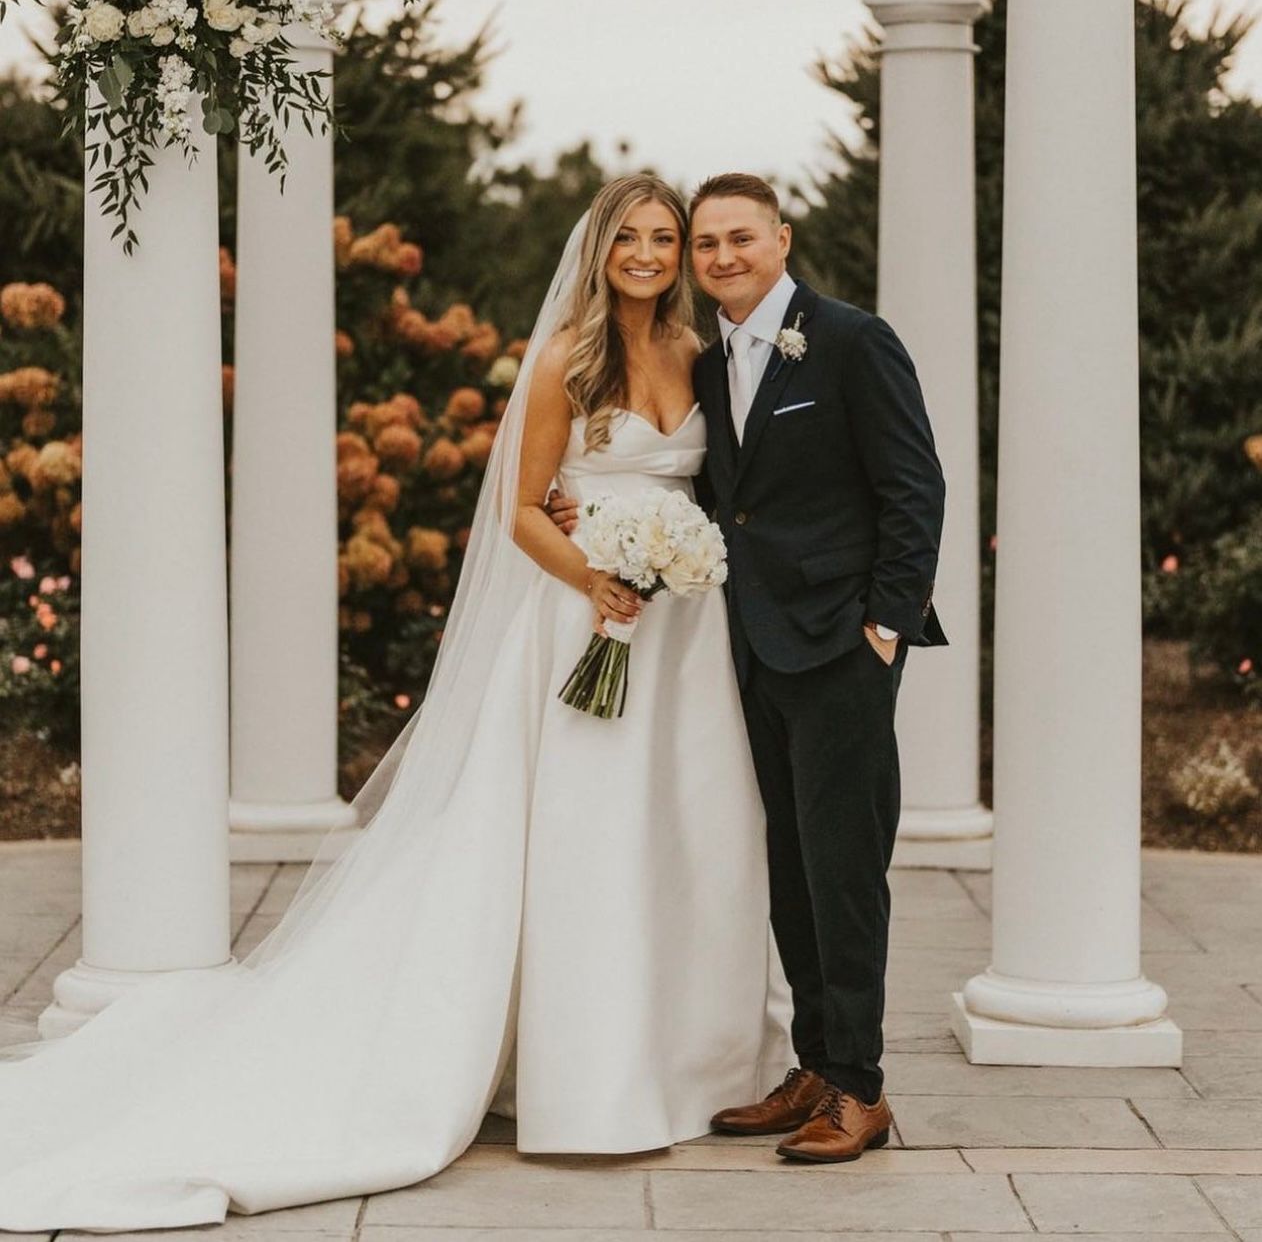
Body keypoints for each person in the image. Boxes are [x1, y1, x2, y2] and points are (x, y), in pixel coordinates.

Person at [0, 174, 790, 1233]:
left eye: (664, 238)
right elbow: (519, 511)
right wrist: (596, 576)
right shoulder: (569, 356)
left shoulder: (699, 357)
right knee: (586, 838)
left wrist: (675, 558)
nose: (647, 254)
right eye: (630, 238)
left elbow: (710, 488)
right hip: (584, 623)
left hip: (683, 638)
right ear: (599, 249)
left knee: (696, 835)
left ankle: (695, 1064)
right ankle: (589, 1080)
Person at [552, 172, 948, 1164]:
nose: (721, 256)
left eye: (740, 237)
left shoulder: (851, 339)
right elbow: (713, 494)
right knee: (790, 868)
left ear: (780, 236)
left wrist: (884, 628)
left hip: (841, 646)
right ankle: (813, 1062)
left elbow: (914, 487)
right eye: (706, 244)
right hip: (747, 645)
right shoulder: (711, 351)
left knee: (844, 868)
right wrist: (584, 512)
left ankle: (859, 1087)